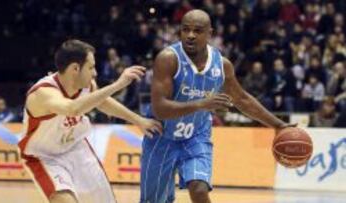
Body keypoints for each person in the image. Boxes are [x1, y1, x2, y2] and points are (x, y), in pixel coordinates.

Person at [141, 10, 293, 203]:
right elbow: (160, 108)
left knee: (199, 189)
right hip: (161, 137)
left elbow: (241, 99)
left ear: (210, 34)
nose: (190, 35)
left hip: (196, 137)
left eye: (197, 30)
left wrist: (278, 124)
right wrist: (201, 104)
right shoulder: (168, 59)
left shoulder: (222, 65)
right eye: (185, 29)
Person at [17, 39, 162, 203]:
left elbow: (102, 102)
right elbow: (73, 108)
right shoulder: (43, 93)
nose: (95, 73)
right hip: (45, 157)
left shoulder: (86, 85)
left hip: (77, 149)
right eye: (91, 67)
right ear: (75, 68)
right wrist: (118, 85)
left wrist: (138, 120)